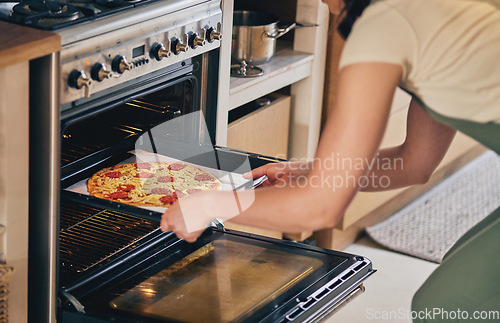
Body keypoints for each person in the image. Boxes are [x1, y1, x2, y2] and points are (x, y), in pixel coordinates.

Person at [161, 0, 500, 321]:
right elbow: (414, 162)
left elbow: (322, 208)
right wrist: (311, 172)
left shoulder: (384, 25)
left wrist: (207, 205)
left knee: (449, 307)